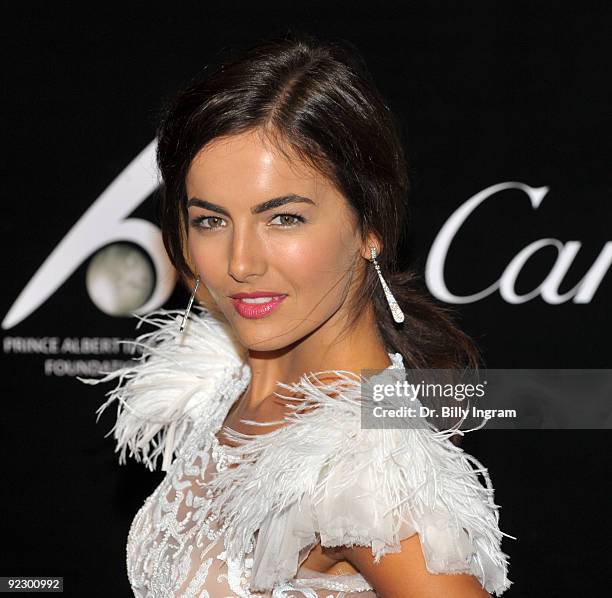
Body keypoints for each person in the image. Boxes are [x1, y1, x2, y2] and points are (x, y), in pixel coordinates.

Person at [79, 33, 513, 597]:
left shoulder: (365, 466)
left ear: (370, 227)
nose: (240, 263)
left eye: (283, 218)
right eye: (211, 220)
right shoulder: (222, 383)